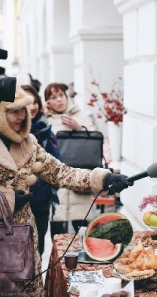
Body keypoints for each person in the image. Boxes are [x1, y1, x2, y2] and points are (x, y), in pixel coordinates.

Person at [0, 84, 131, 295]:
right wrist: (7, 200)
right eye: (14, 110)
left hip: (24, 242)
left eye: (23, 110)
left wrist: (103, 177)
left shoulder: (29, 144)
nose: (22, 116)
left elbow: (62, 173)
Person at [44, 82, 101, 234]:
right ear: (48, 101)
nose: (59, 100)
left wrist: (79, 129)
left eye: (61, 95)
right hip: (56, 182)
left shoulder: (80, 115)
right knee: (57, 229)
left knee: (84, 229)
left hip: (79, 178)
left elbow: (95, 141)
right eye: (53, 97)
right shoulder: (45, 120)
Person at [21, 84, 61, 256]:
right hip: (17, 207)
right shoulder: (9, 135)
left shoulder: (46, 131)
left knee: (38, 250)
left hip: (41, 202)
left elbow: (57, 166)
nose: (32, 107)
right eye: (27, 102)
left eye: (35, 101)